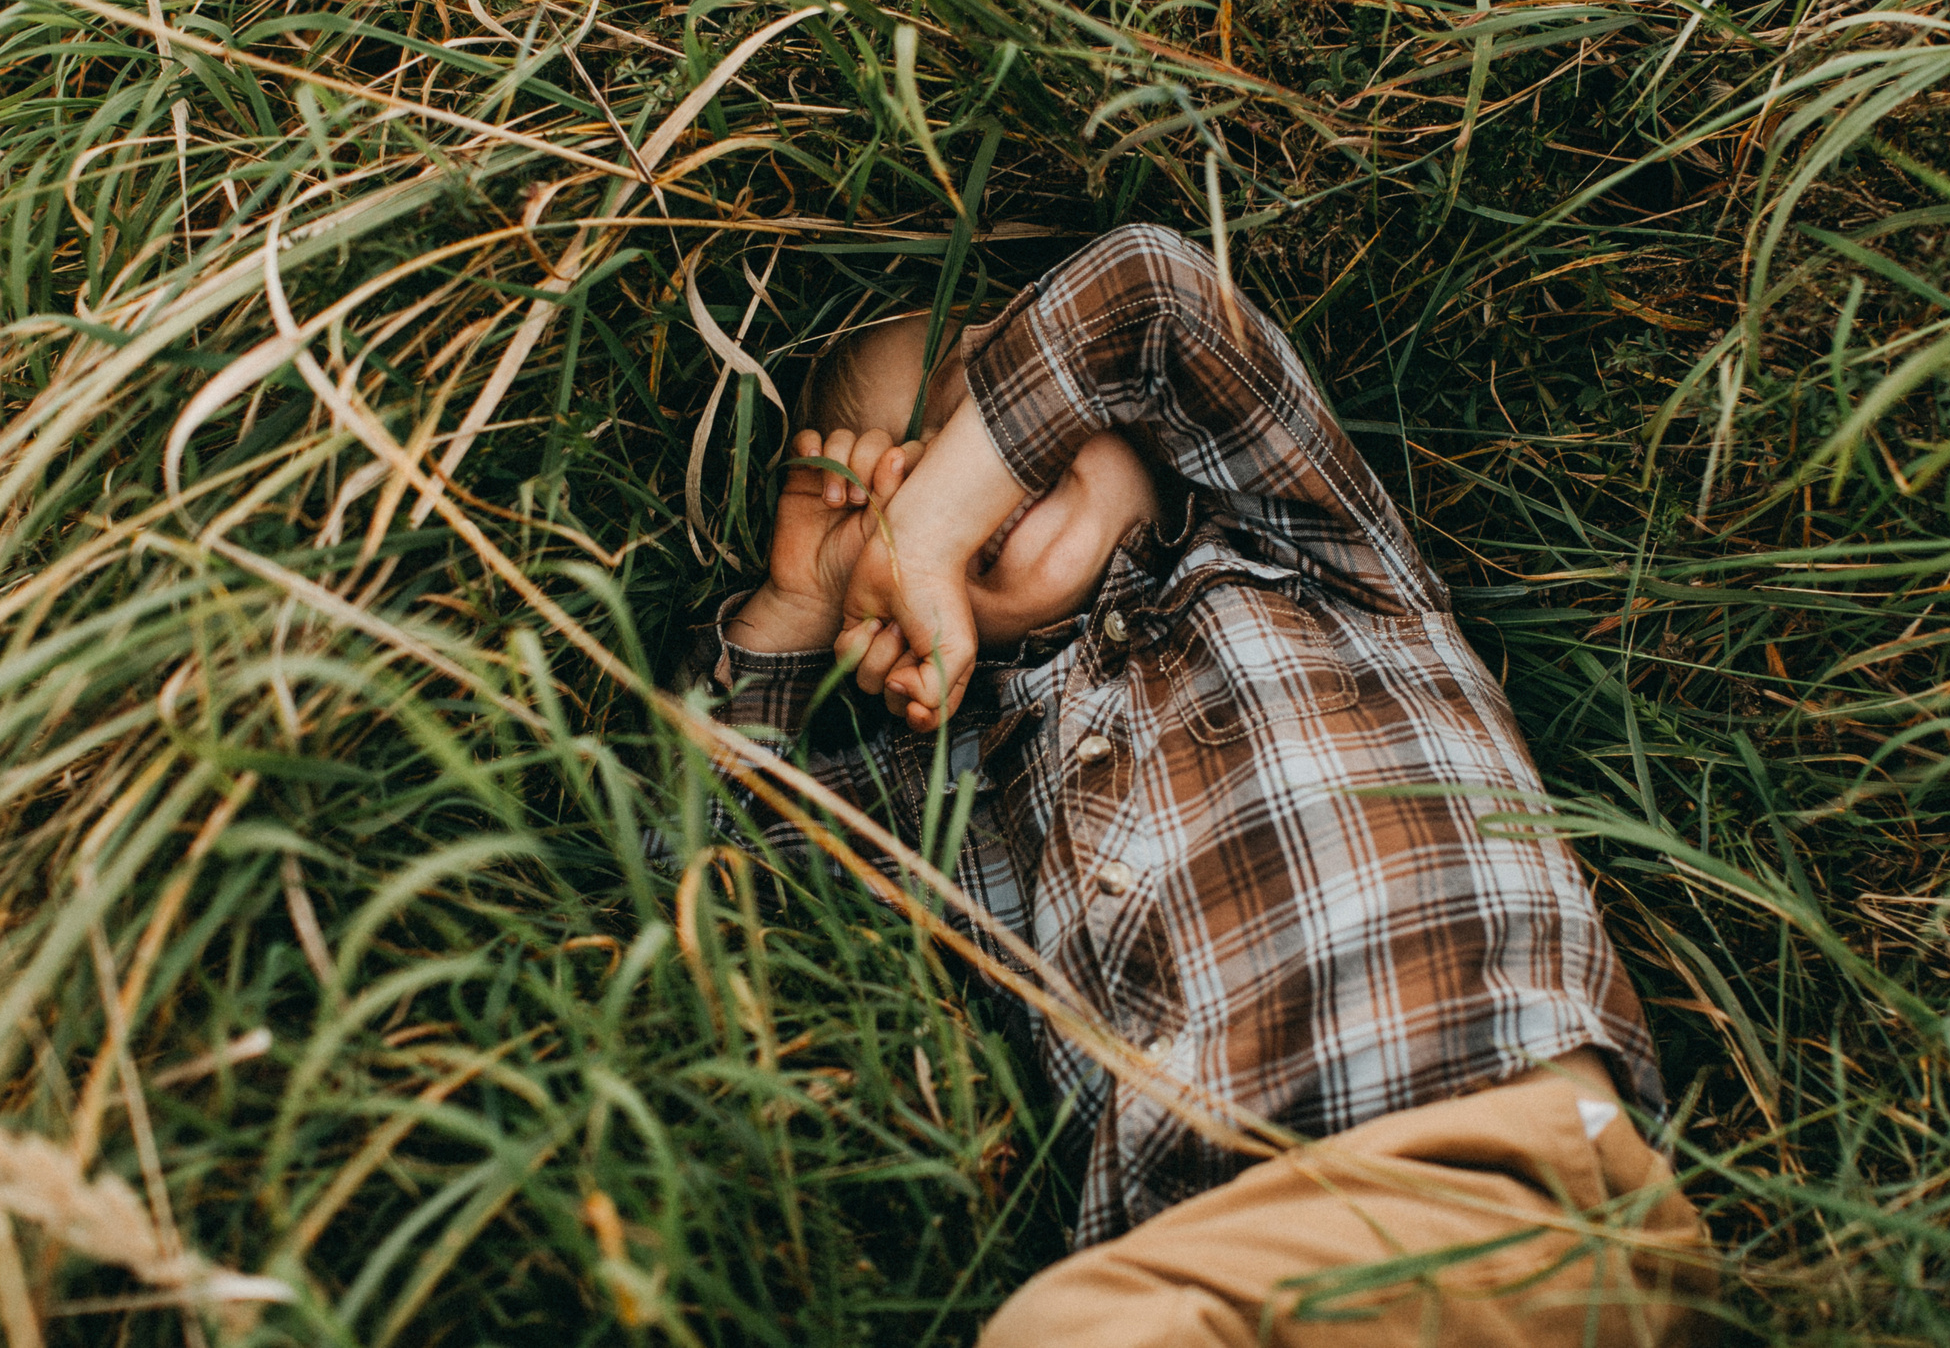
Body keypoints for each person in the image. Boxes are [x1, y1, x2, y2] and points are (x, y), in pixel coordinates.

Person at [704, 225, 1711, 1345]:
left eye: (969, 410)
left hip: (1488, 1153)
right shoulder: (967, 791)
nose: (940, 468)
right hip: (1205, 1249)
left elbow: (1150, 293)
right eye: (898, 471)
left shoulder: (1305, 554)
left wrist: (930, 518)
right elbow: (697, 860)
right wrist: (801, 604)